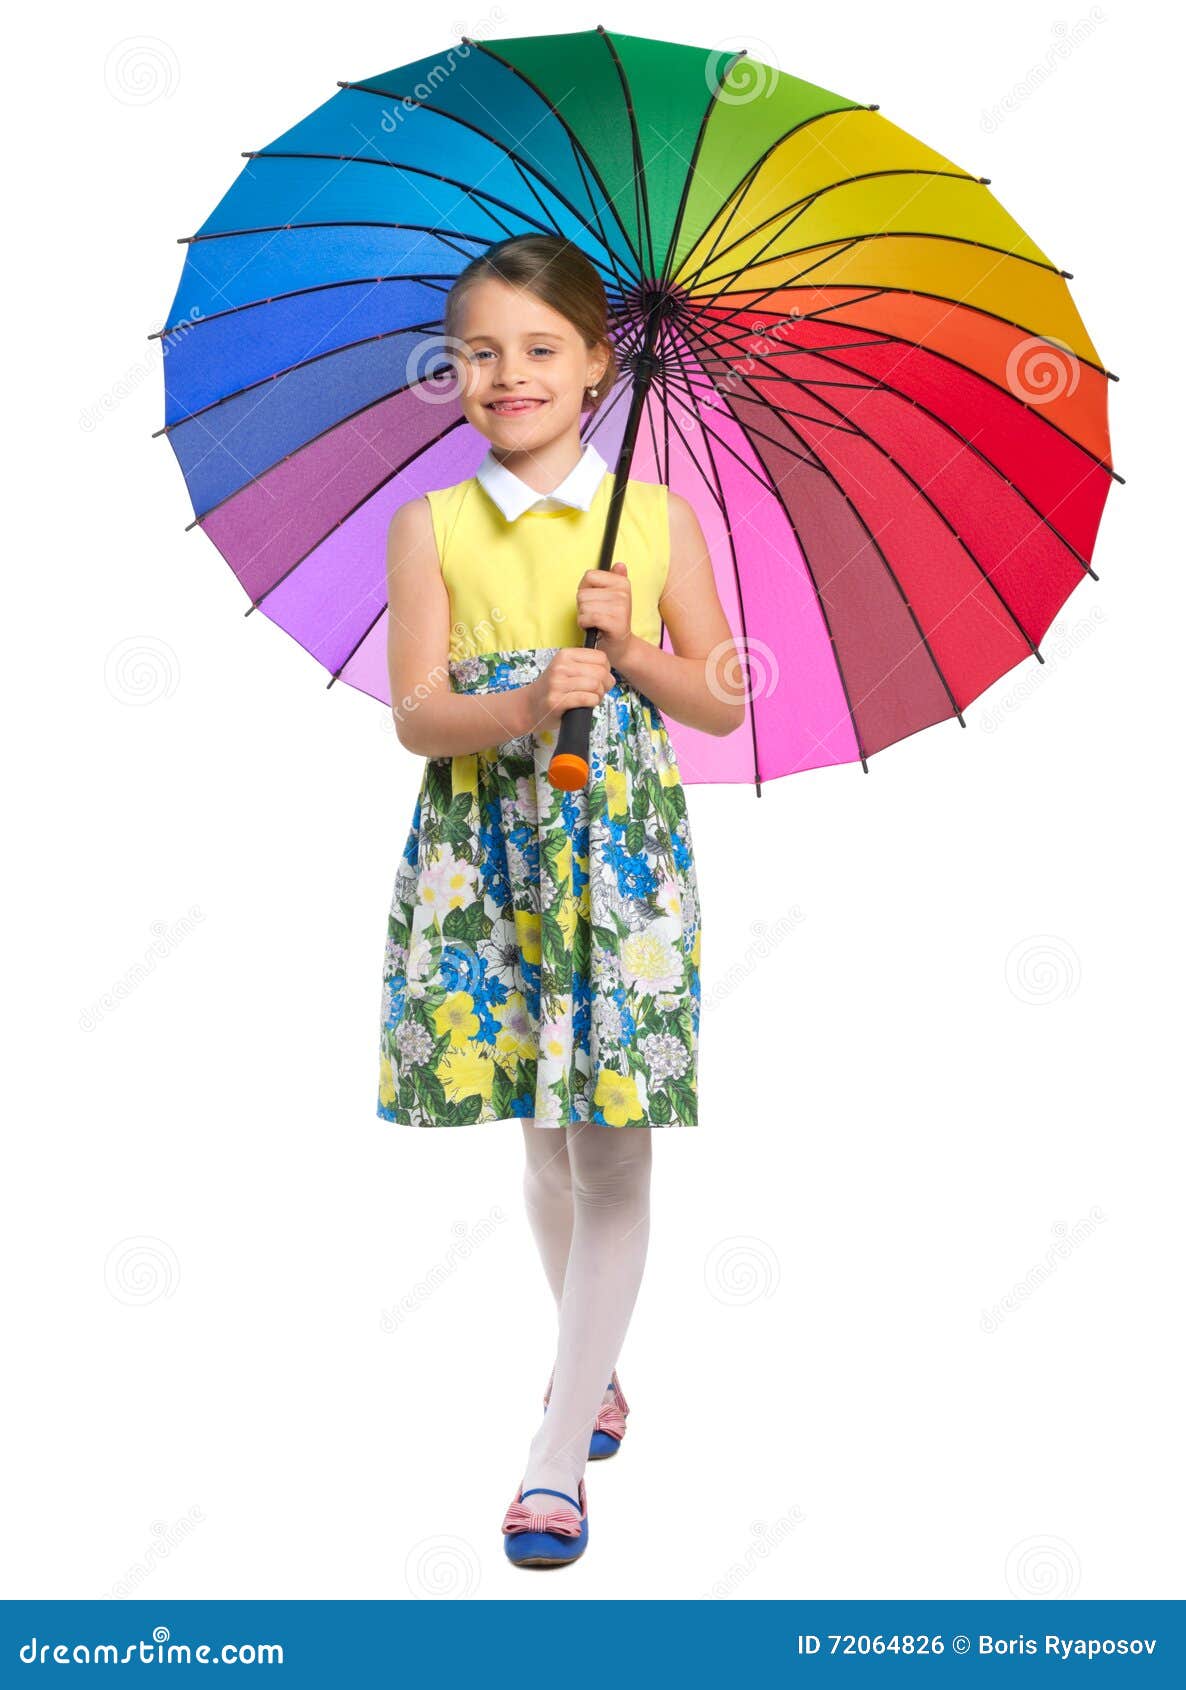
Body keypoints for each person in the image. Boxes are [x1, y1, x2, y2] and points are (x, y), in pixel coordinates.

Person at [377, 234, 745, 1566]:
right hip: (489, 855)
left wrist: (631, 644)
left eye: (539, 350)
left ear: (599, 365)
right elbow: (418, 716)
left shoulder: (652, 525)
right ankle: (591, 1371)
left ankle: (553, 1455)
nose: (506, 374)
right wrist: (530, 697)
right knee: (537, 1131)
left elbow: (722, 694)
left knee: (611, 1137)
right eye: (479, 351)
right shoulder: (428, 527)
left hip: (621, 864)